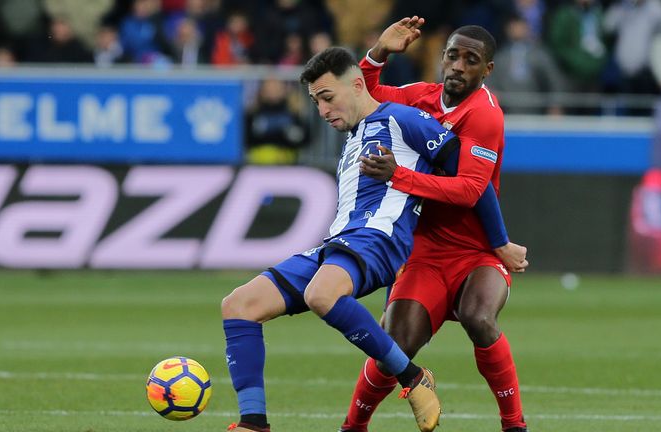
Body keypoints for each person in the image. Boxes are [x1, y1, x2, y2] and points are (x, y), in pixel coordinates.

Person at [221, 46, 454, 432]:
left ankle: (413, 377)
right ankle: (253, 423)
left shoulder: (401, 119)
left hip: (379, 238)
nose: (323, 111)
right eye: (315, 102)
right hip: (340, 241)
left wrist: (492, 241)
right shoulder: (352, 142)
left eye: (327, 98)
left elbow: (469, 175)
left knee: (321, 295)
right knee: (239, 304)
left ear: (358, 85)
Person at [338, 17, 529, 432]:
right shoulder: (420, 97)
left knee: (479, 317)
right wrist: (378, 54)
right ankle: (353, 426)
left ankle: (514, 424)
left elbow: (468, 190)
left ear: (487, 70)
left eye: (471, 60)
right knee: (396, 345)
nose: (459, 66)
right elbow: (365, 96)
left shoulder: (485, 116)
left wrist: (397, 176)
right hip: (422, 251)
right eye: (453, 56)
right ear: (442, 59)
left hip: (476, 251)